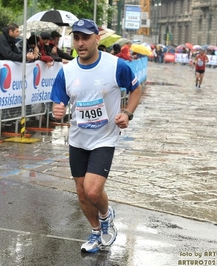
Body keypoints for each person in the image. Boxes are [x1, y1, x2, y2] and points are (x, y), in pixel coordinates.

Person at [50, 18, 141, 253]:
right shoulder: (67, 71)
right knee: (81, 193)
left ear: (96, 39)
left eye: (85, 38)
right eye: (76, 38)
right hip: (78, 139)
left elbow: (135, 88)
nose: (80, 43)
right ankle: (95, 232)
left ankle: (106, 216)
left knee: (92, 190)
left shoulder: (115, 66)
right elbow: (58, 102)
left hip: (105, 138)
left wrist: (128, 113)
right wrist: (57, 109)